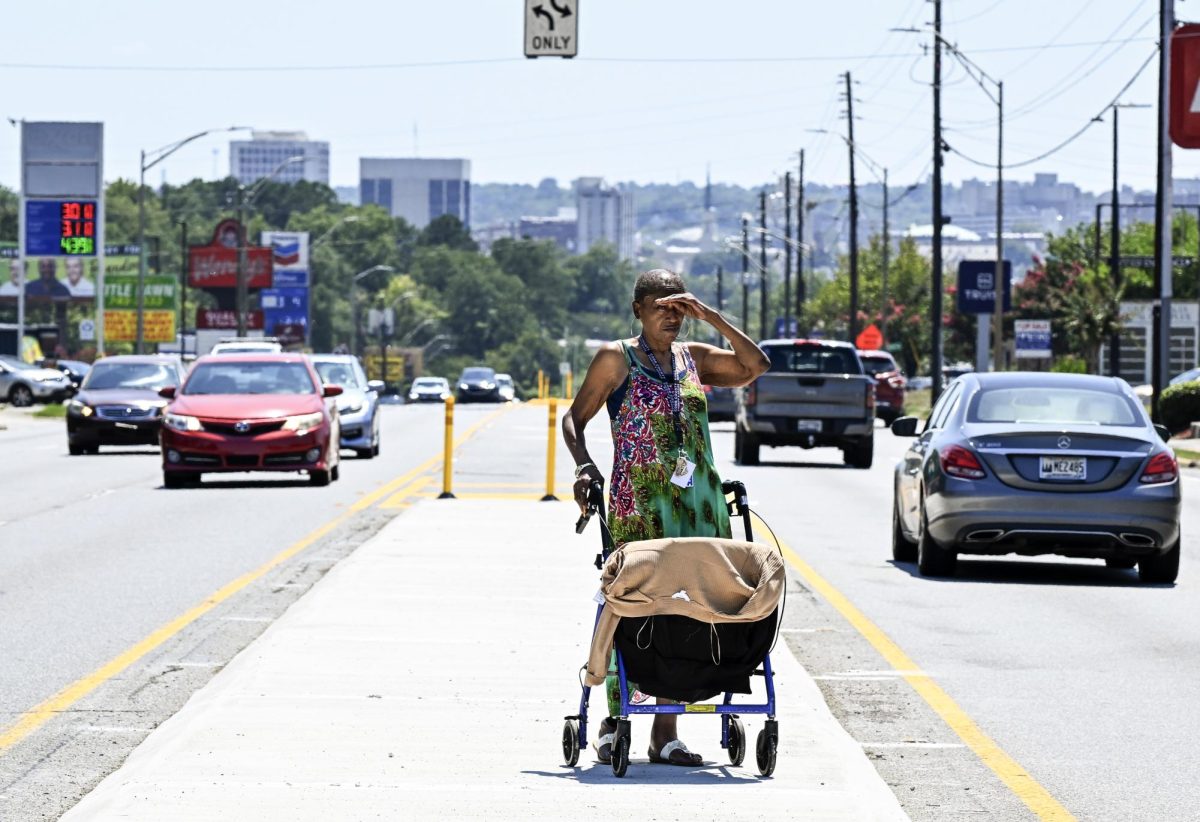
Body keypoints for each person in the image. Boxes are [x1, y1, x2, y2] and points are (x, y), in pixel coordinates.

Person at [562, 268, 770, 766]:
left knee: (693, 613)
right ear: (638, 309)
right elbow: (574, 417)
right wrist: (586, 465)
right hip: (640, 509)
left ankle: (665, 733)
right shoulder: (618, 358)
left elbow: (754, 364)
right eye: (661, 306)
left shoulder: (693, 359)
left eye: (679, 307)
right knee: (632, 608)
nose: (672, 316)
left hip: (701, 510)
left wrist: (712, 316)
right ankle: (617, 720)